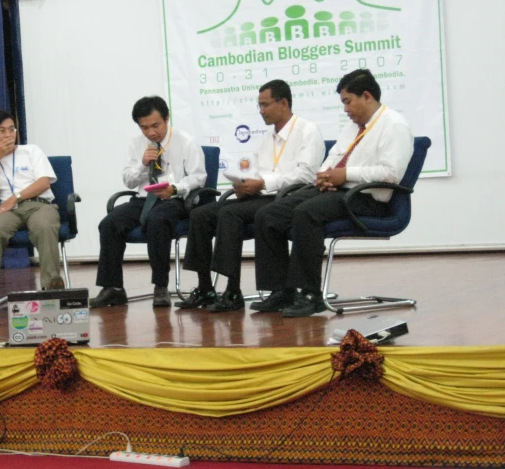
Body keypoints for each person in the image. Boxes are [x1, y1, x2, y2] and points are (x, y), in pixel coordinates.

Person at [252, 69, 413, 317]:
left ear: (367, 96)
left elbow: (391, 174)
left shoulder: (394, 125)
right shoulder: (353, 127)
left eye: (347, 102)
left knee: (307, 213)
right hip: (339, 192)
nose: (345, 109)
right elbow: (333, 157)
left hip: (369, 199)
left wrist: (345, 175)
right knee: (269, 213)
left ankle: (309, 293)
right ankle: (281, 291)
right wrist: (325, 175)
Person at [177, 80, 325, 312]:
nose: (261, 111)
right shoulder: (268, 137)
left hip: (290, 198)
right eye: (259, 105)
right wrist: (245, 185)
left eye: (265, 105)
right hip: (262, 195)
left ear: (284, 103)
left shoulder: (307, 131)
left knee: (229, 213)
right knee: (201, 214)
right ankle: (205, 287)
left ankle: (233, 290)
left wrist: (263, 183)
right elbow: (259, 171)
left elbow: (306, 175)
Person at [90, 96, 207, 308]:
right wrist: (143, 164)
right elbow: (128, 180)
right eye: (144, 127)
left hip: (174, 199)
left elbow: (199, 177)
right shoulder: (136, 144)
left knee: (157, 220)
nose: (151, 132)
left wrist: (175, 188)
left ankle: (160, 286)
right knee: (109, 223)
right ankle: (113, 288)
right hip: (144, 198)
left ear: (167, 118)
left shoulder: (185, 141)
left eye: (156, 125)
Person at [0, 111, 64, 312]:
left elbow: (44, 182)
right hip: (8, 211)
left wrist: (15, 198)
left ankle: (51, 286)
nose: (9, 135)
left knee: (44, 227)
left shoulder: (31, 151)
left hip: (39, 204)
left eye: (12, 130)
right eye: (2, 131)